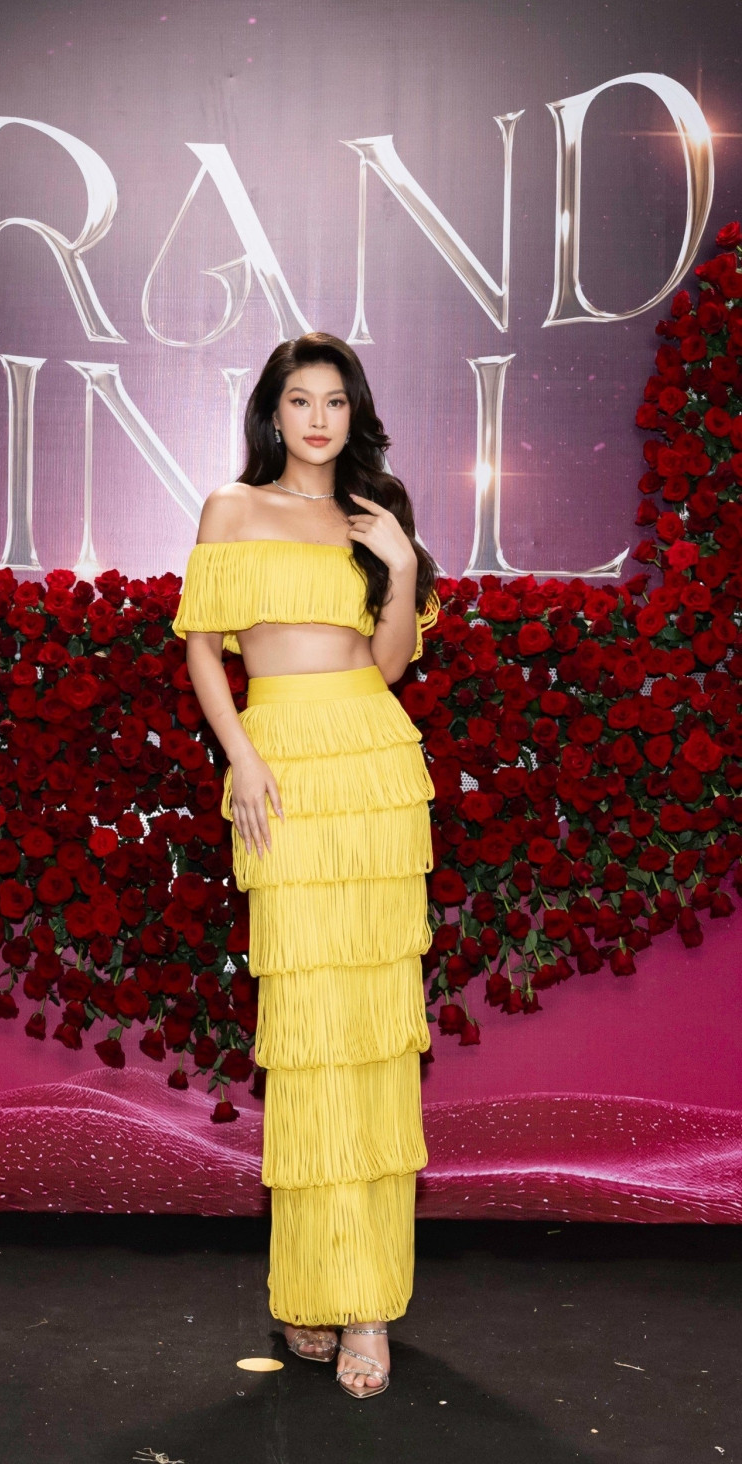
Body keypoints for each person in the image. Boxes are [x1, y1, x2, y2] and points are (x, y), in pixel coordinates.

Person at [171, 331, 440, 1398]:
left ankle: (366, 1303)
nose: (319, 419)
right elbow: (203, 645)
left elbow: (389, 664)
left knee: (373, 1033)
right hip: (279, 768)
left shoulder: (376, 515)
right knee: (307, 1031)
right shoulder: (231, 509)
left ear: (352, 413)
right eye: (300, 400)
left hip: (373, 766)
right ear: (272, 413)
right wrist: (241, 756)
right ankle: (312, 1282)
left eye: (335, 400)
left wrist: (402, 568)